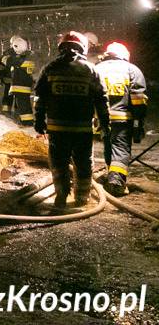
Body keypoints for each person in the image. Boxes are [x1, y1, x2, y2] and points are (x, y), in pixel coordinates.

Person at [34, 31, 110, 209]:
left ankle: (61, 196)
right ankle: (82, 197)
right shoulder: (91, 69)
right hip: (82, 129)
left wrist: (39, 121)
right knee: (83, 163)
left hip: (57, 129)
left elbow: (40, 97)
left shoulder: (50, 68)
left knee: (59, 163)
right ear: (82, 47)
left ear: (61, 46)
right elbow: (102, 99)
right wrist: (105, 124)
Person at [95, 42, 148, 196]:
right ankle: (116, 183)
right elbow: (139, 99)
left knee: (108, 148)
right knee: (121, 150)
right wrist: (139, 122)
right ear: (125, 55)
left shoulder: (96, 69)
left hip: (102, 119)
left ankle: (111, 176)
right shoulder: (132, 70)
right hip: (123, 119)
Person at [7, 36, 35, 126]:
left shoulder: (19, 59)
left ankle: (27, 122)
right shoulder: (28, 57)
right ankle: (24, 121)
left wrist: (10, 53)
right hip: (24, 86)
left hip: (20, 87)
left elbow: (9, 62)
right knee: (23, 105)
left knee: (23, 106)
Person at [0, 43, 16, 115]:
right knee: (18, 96)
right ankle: (17, 111)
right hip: (16, 79)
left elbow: (1, 68)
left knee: (7, 94)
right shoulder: (21, 54)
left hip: (7, 78)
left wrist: (1, 78)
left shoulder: (5, 55)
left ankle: (6, 110)